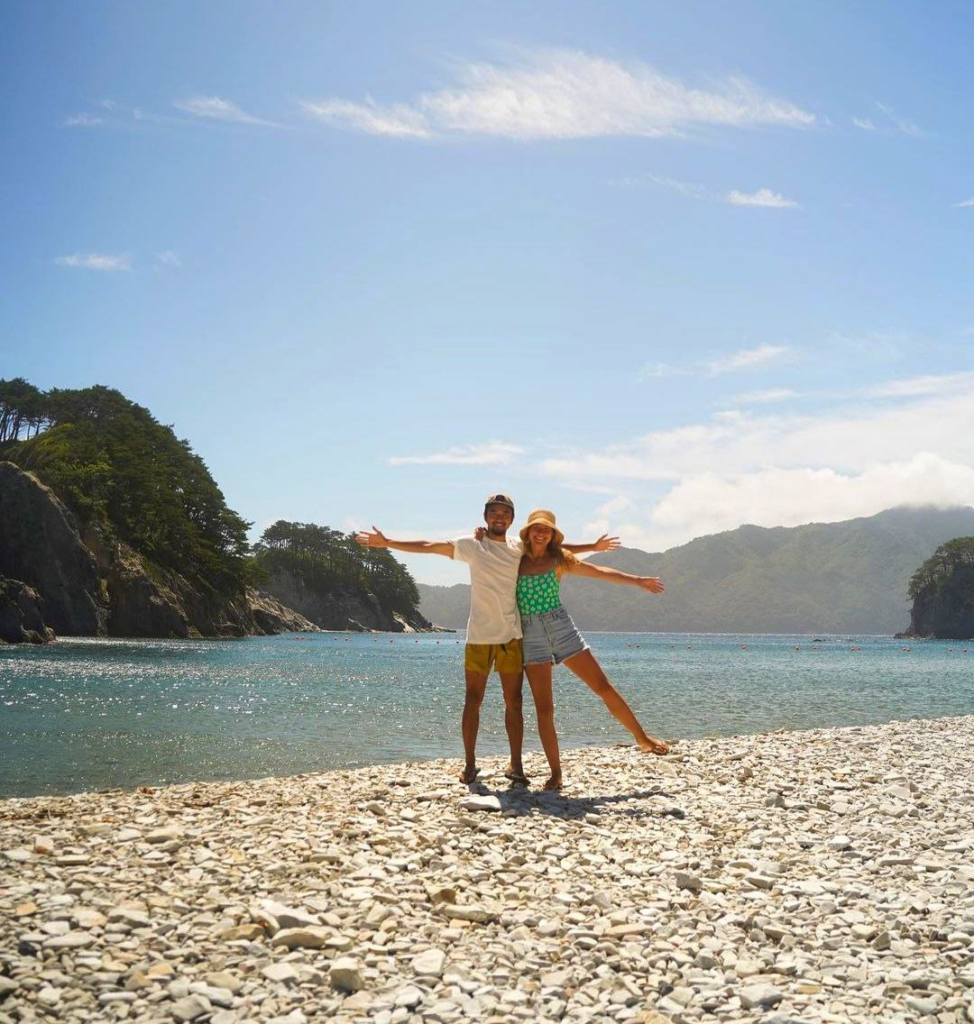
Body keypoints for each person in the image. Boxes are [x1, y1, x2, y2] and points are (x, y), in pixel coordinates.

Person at [356, 494, 618, 784]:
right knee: (473, 700)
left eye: (505, 513)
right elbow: (431, 547)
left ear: (512, 519)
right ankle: (469, 765)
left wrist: (592, 547)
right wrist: (389, 542)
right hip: (479, 636)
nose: (499, 517)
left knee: (514, 702)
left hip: (511, 636)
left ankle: (516, 766)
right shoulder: (472, 545)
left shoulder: (519, 547)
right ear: (485, 517)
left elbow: (552, 547)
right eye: (494, 512)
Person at [516, 508, 669, 791]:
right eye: (536, 529)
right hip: (530, 635)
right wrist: (481, 533)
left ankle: (642, 738)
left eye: (546, 530)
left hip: (561, 627)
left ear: (552, 536)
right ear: (527, 532)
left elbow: (599, 572)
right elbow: (488, 549)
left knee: (602, 686)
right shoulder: (514, 558)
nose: (541, 533)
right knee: (544, 709)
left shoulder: (559, 559)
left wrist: (637, 581)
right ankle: (556, 773)